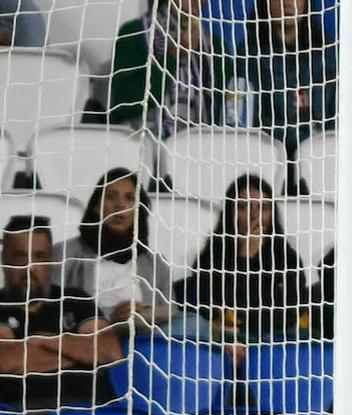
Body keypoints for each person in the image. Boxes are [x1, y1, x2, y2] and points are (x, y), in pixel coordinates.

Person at [0, 216, 122, 410]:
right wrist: (80, 354)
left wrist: (45, 341)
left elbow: (110, 351)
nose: (30, 267)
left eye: (39, 256)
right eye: (20, 256)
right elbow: (7, 361)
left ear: (50, 261)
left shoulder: (76, 298)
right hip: (22, 412)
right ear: (3, 258)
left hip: (90, 410)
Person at [176, 174, 307, 341]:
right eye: (244, 207)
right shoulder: (210, 257)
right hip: (223, 344)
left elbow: (288, 316)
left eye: (263, 208)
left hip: (272, 346)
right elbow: (218, 312)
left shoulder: (288, 259)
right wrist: (245, 257)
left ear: (272, 215)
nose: (255, 216)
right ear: (231, 212)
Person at [57, 168, 178, 332]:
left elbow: (172, 317)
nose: (120, 205)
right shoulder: (65, 254)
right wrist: (108, 321)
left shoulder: (156, 265)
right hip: (90, 344)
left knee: (193, 322)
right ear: (95, 206)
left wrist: (143, 314)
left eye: (129, 198)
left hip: (143, 343)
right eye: (111, 197)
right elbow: (52, 315)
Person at [108, 0, 245, 137]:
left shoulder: (215, 46)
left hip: (202, 149)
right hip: (142, 148)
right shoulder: (134, 33)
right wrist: (173, 56)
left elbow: (227, 113)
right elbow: (123, 103)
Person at [248, 0, 337, 155]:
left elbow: (336, 115)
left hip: (322, 157)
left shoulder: (327, 52)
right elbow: (252, 122)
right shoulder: (249, 55)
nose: (287, 3)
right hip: (270, 158)